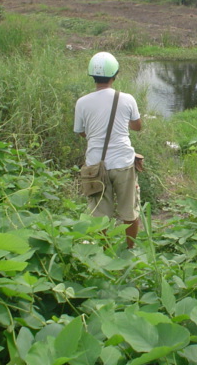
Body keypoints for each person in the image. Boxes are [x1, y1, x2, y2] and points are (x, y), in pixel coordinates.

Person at [74, 52, 142, 248]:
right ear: (115, 75)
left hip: (96, 165)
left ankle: (104, 251)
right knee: (129, 211)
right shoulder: (127, 99)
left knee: (99, 213)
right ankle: (130, 249)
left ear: (92, 76)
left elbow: (80, 132)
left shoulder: (82, 102)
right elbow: (137, 127)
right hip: (123, 163)